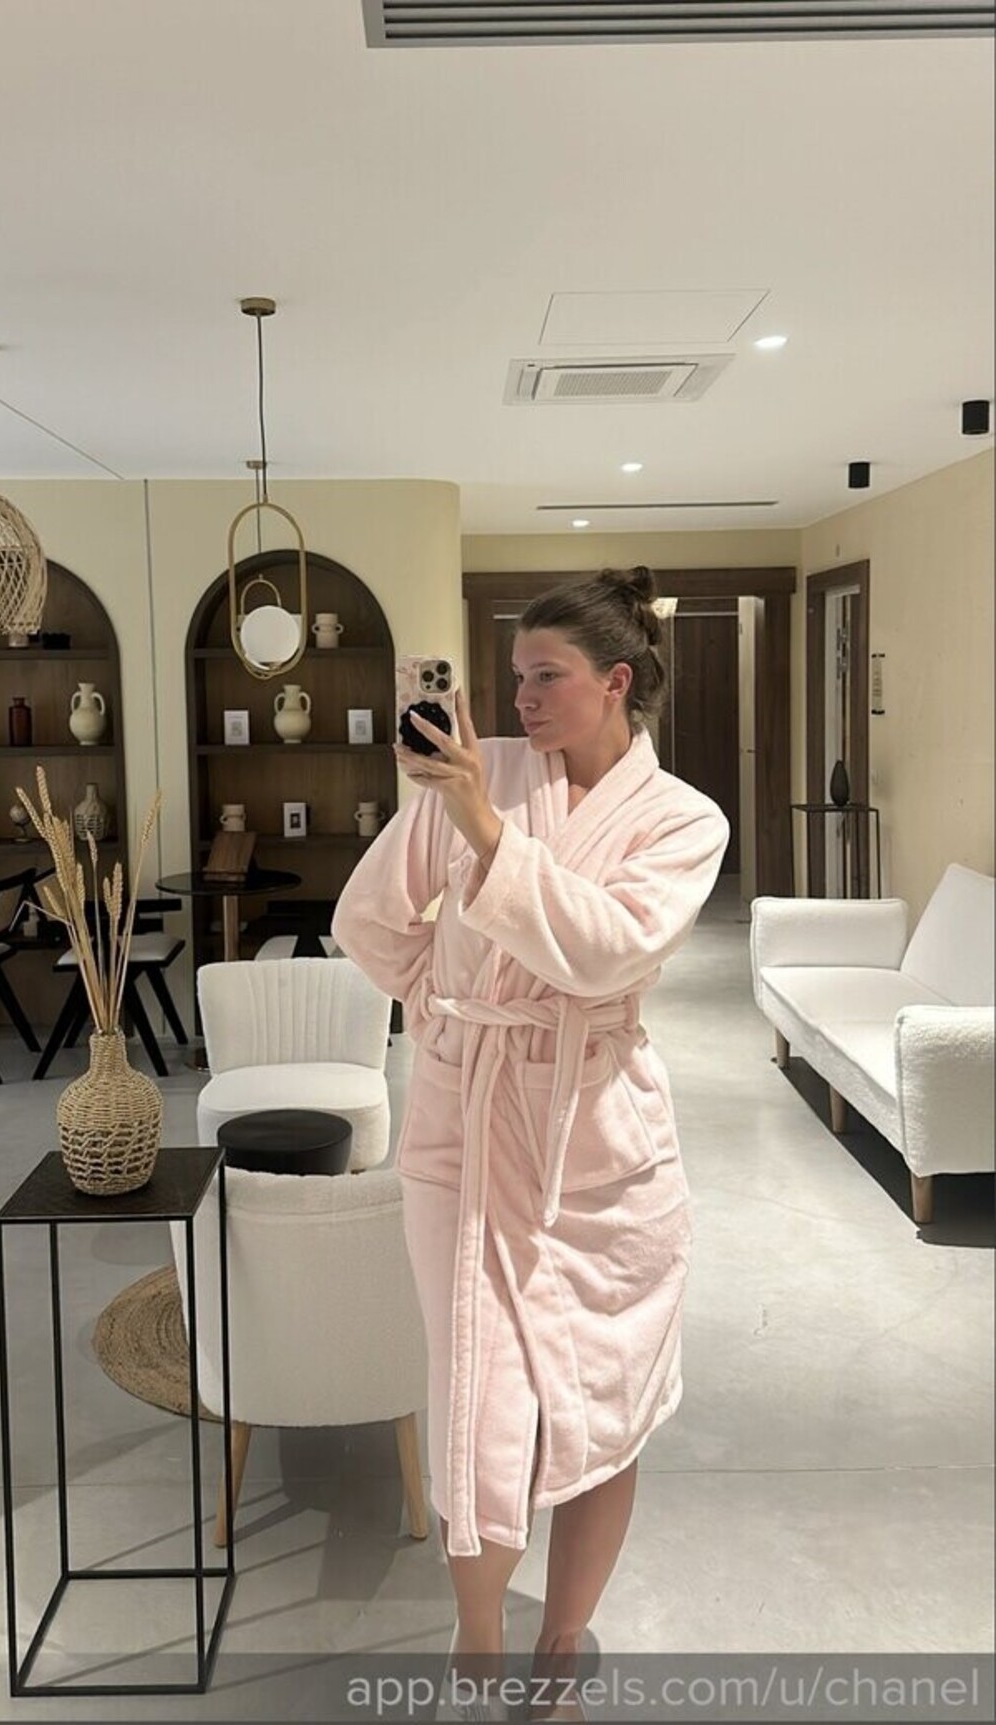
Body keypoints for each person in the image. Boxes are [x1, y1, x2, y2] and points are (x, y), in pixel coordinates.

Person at [331, 567, 729, 1721]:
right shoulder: (482, 769)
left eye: (547, 677)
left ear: (616, 682)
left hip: (602, 1140)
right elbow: (368, 919)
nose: (521, 699)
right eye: (514, 677)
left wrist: (480, 826)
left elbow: (605, 952)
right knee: (480, 1395)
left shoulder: (683, 820)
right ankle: (478, 1646)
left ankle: (559, 1647)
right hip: (465, 1123)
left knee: (606, 1401)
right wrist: (446, 1011)